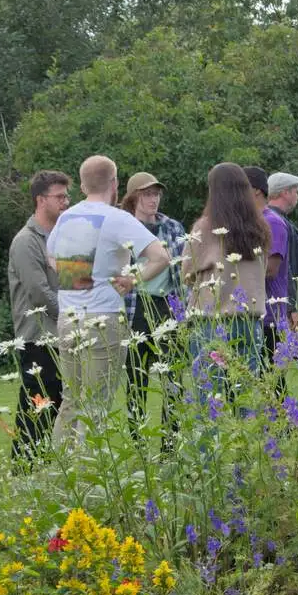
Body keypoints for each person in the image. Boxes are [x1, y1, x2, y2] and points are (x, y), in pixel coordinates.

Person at [45, 155, 170, 442]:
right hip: (103, 319)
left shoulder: (67, 216)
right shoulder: (117, 218)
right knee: (96, 406)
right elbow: (160, 257)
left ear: (81, 184)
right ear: (114, 183)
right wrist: (132, 279)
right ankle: (89, 479)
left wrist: (78, 277)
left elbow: (51, 256)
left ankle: (62, 479)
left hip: (68, 318)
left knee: (71, 401)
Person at [183, 163, 271, 377]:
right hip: (249, 323)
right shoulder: (260, 229)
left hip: (213, 322)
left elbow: (186, 273)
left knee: (211, 398)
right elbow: (263, 270)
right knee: (247, 397)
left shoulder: (204, 227)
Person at [118, 172, 186, 439]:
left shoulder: (173, 227)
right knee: (137, 377)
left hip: (167, 305)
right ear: (133, 197)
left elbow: (182, 269)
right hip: (136, 307)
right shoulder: (123, 227)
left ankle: (172, 441)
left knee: (174, 375)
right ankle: (137, 441)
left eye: (156, 194)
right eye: (147, 194)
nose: (153, 199)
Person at [9, 170, 70, 461]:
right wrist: (73, 317)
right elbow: (39, 293)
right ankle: (24, 467)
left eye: (67, 196)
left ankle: (44, 466)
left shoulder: (63, 238)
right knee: (38, 406)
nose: (66, 202)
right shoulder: (26, 241)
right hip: (38, 336)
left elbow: (75, 282)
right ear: (40, 200)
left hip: (62, 335)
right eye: (59, 197)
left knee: (58, 406)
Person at [245, 166, 291, 379]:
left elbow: (271, 269)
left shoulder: (272, 222)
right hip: (251, 311)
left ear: (255, 190)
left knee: (273, 383)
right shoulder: (249, 222)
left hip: (270, 315)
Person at [267, 172, 298, 330]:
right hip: (282, 306)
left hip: (282, 303)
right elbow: (285, 268)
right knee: (290, 352)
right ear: (284, 192)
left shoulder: (277, 220)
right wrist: (293, 308)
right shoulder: (276, 222)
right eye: (296, 191)